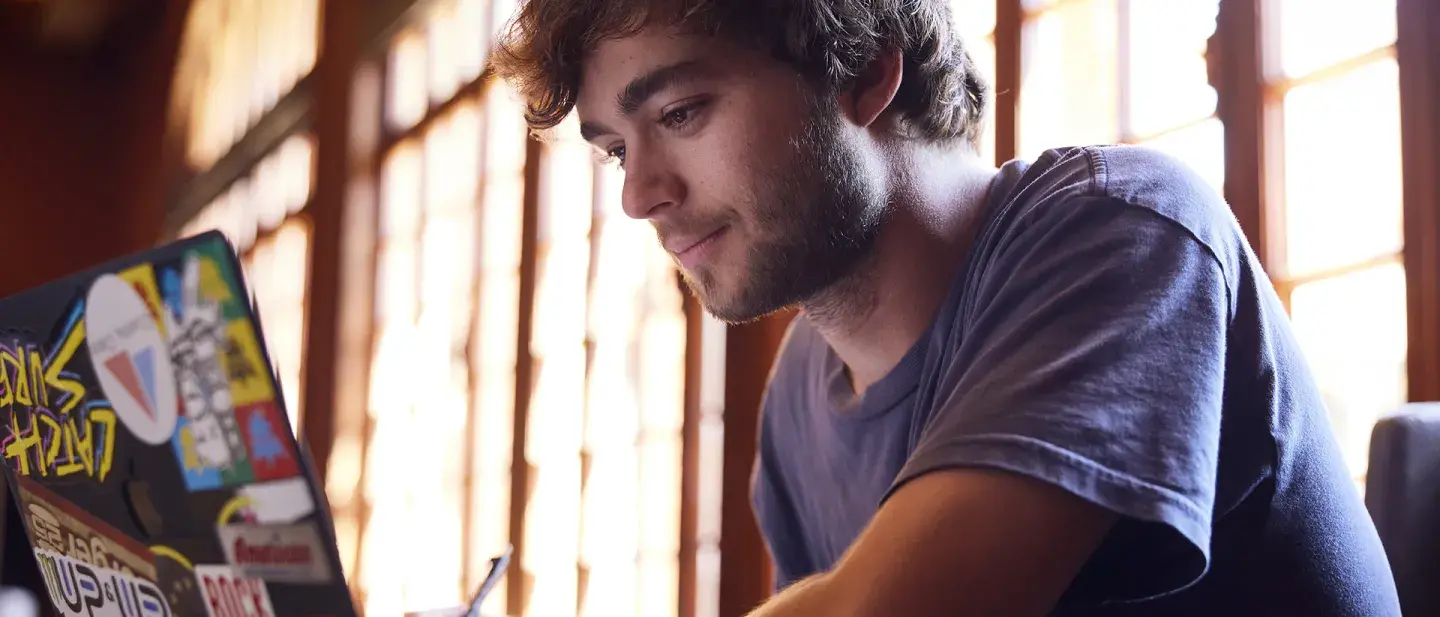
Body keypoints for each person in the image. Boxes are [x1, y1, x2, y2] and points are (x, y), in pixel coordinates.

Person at [492, 1, 1402, 615]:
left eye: (683, 111)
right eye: (617, 150)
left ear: (864, 67)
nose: (640, 194)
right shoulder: (802, 396)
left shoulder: (1122, 232)